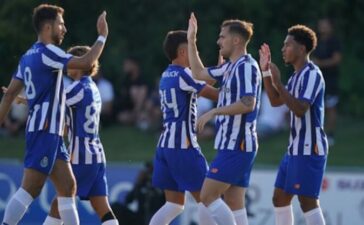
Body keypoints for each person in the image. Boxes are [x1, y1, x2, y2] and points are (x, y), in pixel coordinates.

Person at [0, 4, 108, 225]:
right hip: (45, 130)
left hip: (51, 133)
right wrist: (102, 36)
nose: (64, 29)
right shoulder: (48, 51)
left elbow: (10, 94)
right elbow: (87, 62)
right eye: (61, 24)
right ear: (48, 27)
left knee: (68, 187)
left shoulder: (27, 56)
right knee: (30, 188)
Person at [187, 13, 261, 225]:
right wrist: (192, 40)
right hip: (235, 144)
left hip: (238, 145)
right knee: (234, 202)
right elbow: (199, 73)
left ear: (236, 40)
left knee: (207, 196)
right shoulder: (230, 66)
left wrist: (214, 112)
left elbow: (249, 103)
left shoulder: (246, 66)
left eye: (222, 37)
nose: (218, 41)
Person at [259, 25, 328, 225]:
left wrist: (279, 84)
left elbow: (300, 109)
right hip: (295, 149)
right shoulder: (297, 76)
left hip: (310, 149)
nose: (283, 49)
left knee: (307, 202)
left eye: (288, 45)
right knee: (279, 198)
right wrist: (266, 74)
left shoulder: (312, 74)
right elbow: (274, 101)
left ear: (302, 49)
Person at [42, 46, 118, 225]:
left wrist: (25, 99)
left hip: (81, 155)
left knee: (59, 203)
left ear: (82, 63)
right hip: (97, 154)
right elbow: (72, 122)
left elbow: (54, 103)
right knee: (102, 207)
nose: (68, 63)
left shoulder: (78, 88)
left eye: (71, 59)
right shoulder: (93, 87)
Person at [149, 30, 219, 225]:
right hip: (183, 146)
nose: (196, 56)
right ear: (182, 52)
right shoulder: (185, 74)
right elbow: (217, 95)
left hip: (165, 146)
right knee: (208, 199)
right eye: (193, 50)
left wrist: (216, 72)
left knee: (174, 205)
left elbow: (199, 84)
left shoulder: (167, 74)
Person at [312, 18, 342, 146]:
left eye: (325, 25)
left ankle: (330, 134)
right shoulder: (316, 42)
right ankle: (317, 134)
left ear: (331, 27)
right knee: (316, 107)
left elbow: (337, 59)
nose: (322, 28)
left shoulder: (334, 42)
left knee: (330, 107)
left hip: (330, 80)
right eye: (321, 25)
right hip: (317, 81)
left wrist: (320, 64)